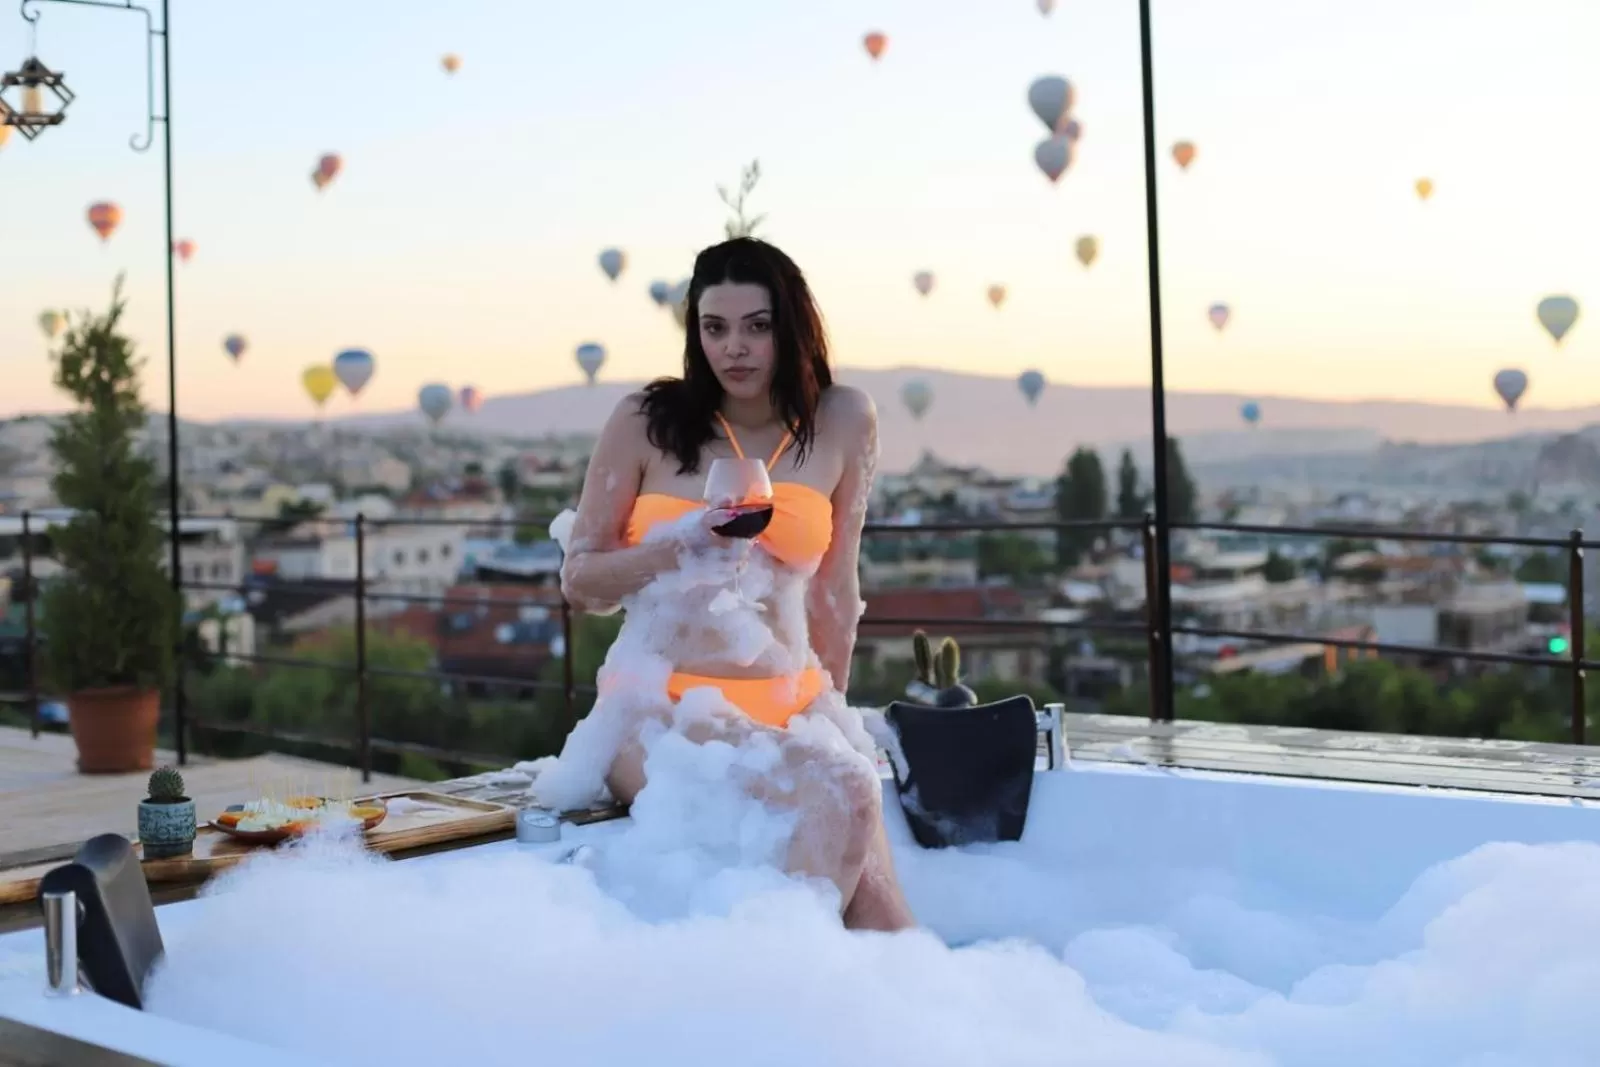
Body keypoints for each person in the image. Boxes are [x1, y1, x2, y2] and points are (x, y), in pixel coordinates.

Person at [549, 236, 915, 932]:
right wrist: (679, 544)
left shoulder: (843, 420)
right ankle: (778, 989)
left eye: (757, 325)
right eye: (714, 328)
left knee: (888, 923)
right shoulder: (645, 423)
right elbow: (582, 581)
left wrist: (834, 716)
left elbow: (835, 589)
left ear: (792, 327)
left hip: (793, 706)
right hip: (659, 711)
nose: (734, 348)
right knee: (839, 787)